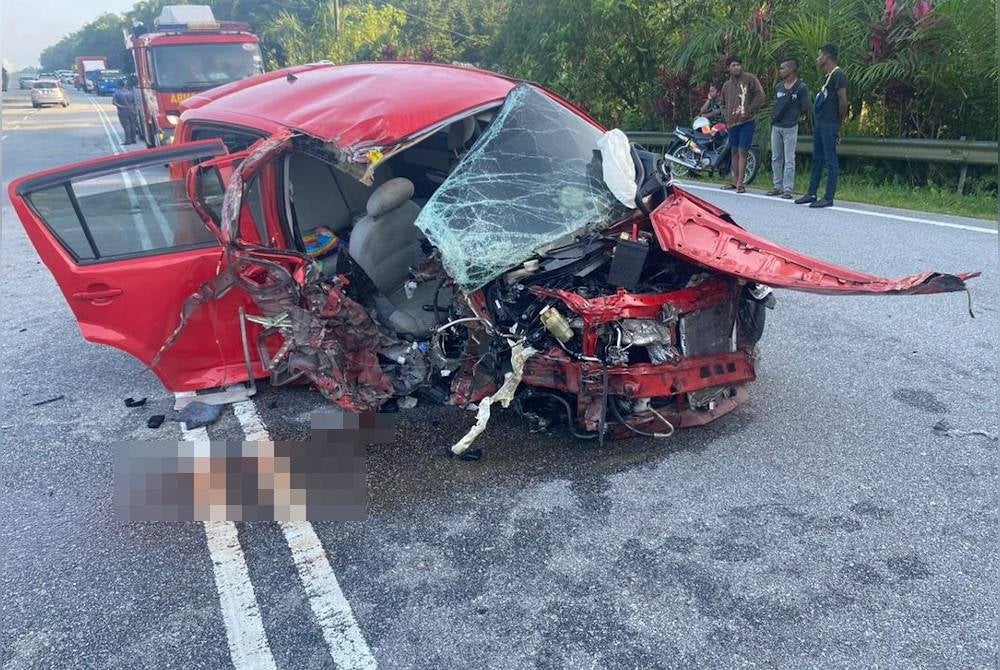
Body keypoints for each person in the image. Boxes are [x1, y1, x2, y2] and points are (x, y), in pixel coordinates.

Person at [795, 44, 849, 208]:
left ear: (827, 56)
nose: (818, 59)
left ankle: (828, 196)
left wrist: (838, 123)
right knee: (817, 158)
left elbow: (843, 102)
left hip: (830, 123)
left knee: (830, 159)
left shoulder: (838, 75)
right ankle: (812, 192)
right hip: (821, 121)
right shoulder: (827, 76)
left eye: (820, 56)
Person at [719, 55, 765, 193]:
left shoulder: (749, 79)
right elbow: (722, 102)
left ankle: (740, 183)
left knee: (743, 151)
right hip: (732, 123)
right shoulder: (726, 85)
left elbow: (760, 95)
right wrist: (726, 114)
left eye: (738, 64)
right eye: (733, 65)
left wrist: (750, 110)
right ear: (728, 68)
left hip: (746, 121)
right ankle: (734, 181)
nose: (737, 67)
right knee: (733, 150)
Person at [767, 58, 810, 199]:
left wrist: (796, 116)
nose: (780, 71)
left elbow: (805, 107)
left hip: (791, 126)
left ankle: (788, 188)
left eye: (783, 68)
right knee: (776, 157)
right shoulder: (779, 86)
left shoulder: (801, 87)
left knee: (789, 158)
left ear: (791, 69)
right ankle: (777, 185)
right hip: (777, 125)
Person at [111, 78, 137, 145]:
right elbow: (134, 102)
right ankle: (133, 139)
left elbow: (114, 102)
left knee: (126, 126)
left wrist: (120, 106)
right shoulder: (129, 92)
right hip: (132, 110)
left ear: (118, 85)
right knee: (133, 125)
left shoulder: (117, 93)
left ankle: (128, 140)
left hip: (123, 111)